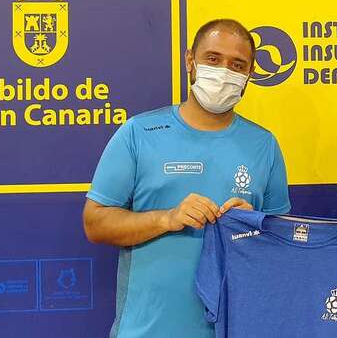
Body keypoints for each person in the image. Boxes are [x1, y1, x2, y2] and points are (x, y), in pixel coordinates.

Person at [83, 19, 291, 338]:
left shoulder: (264, 144)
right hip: (149, 330)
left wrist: (255, 226)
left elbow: (284, 243)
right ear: (190, 61)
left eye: (237, 65)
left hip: (234, 328)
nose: (224, 72)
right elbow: (95, 224)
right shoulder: (138, 133)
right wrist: (167, 218)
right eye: (213, 59)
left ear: (250, 74)